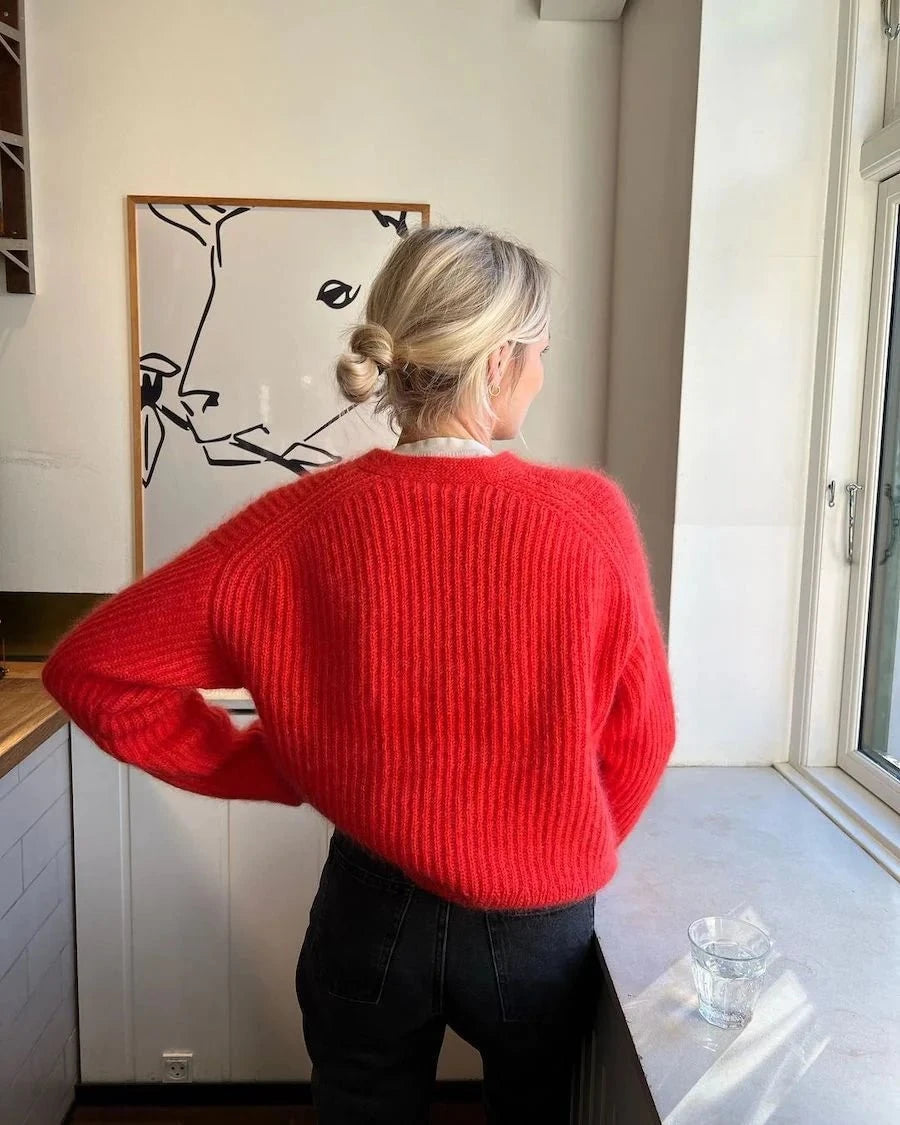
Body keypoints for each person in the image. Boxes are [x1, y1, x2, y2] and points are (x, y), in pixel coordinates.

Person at [42, 226, 676, 1125]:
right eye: (539, 350)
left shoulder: (300, 522)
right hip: (538, 922)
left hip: (373, 912)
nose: (542, 370)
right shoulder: (589, 517)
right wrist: (554, 837)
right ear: (497, 361)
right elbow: (643, 738)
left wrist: (279, 764)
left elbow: (91, 670)